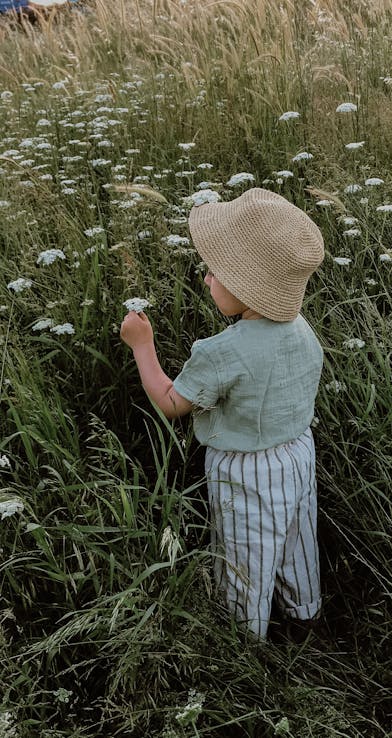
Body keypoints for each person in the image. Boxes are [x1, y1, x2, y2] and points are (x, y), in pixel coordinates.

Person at [120, 187, 324, 641]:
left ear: (249, 286)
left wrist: (142, 346)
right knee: (297, 540)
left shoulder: (221, 352)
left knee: (245, 554)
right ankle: (304, 613)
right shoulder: (303, 329)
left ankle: (242, 638)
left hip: (245, 471)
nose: (207, 279)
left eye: (216, 272)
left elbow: (173, 403)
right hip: (297, 454)